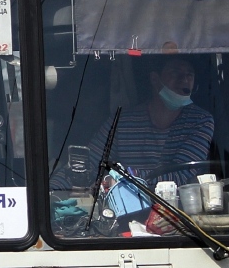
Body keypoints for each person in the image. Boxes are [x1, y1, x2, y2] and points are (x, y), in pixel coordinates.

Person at [81, 50, 217, 186]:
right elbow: (89, 162)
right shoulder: (122, 121)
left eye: (189, 75)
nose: (184, 80)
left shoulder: (200, 121)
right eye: (175, 73)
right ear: (155, 79)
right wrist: (61, 188)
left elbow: (180, 174)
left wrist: (127, 177)